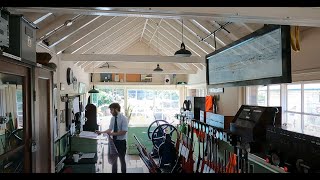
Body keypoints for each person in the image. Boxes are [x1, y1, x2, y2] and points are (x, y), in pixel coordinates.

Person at [95, 103, 128, 173]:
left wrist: (112, 133)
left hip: (121, 143)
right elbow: (110, 129)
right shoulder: (112, 118)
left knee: (122, 160)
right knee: (114, 161)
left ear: (116, 109)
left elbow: (124, 131)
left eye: (111, 110)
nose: (110, 112)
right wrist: (101, 132)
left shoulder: (124, 118)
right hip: (114, 142)